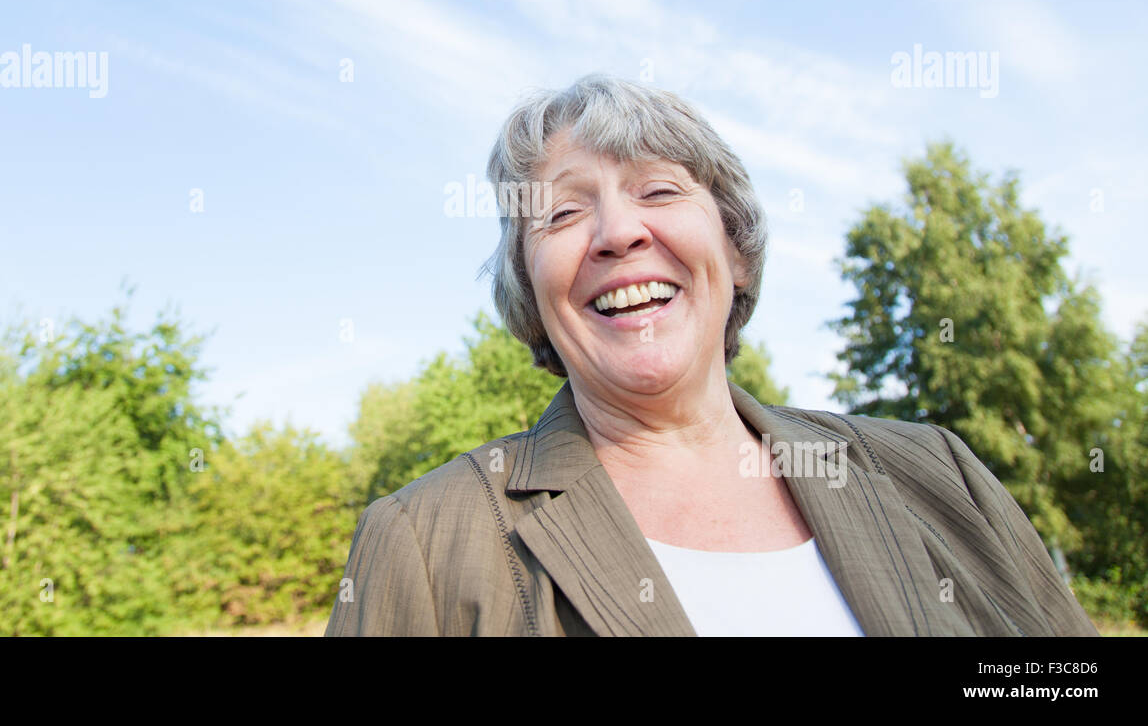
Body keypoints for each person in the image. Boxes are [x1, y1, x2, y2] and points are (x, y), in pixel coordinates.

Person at [325, 74, 1099, 636]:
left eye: (659, 193)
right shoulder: (422, 541)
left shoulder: (941, 474)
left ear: (736, 254)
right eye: (562, 212)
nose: (618, 232)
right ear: (530, 287)